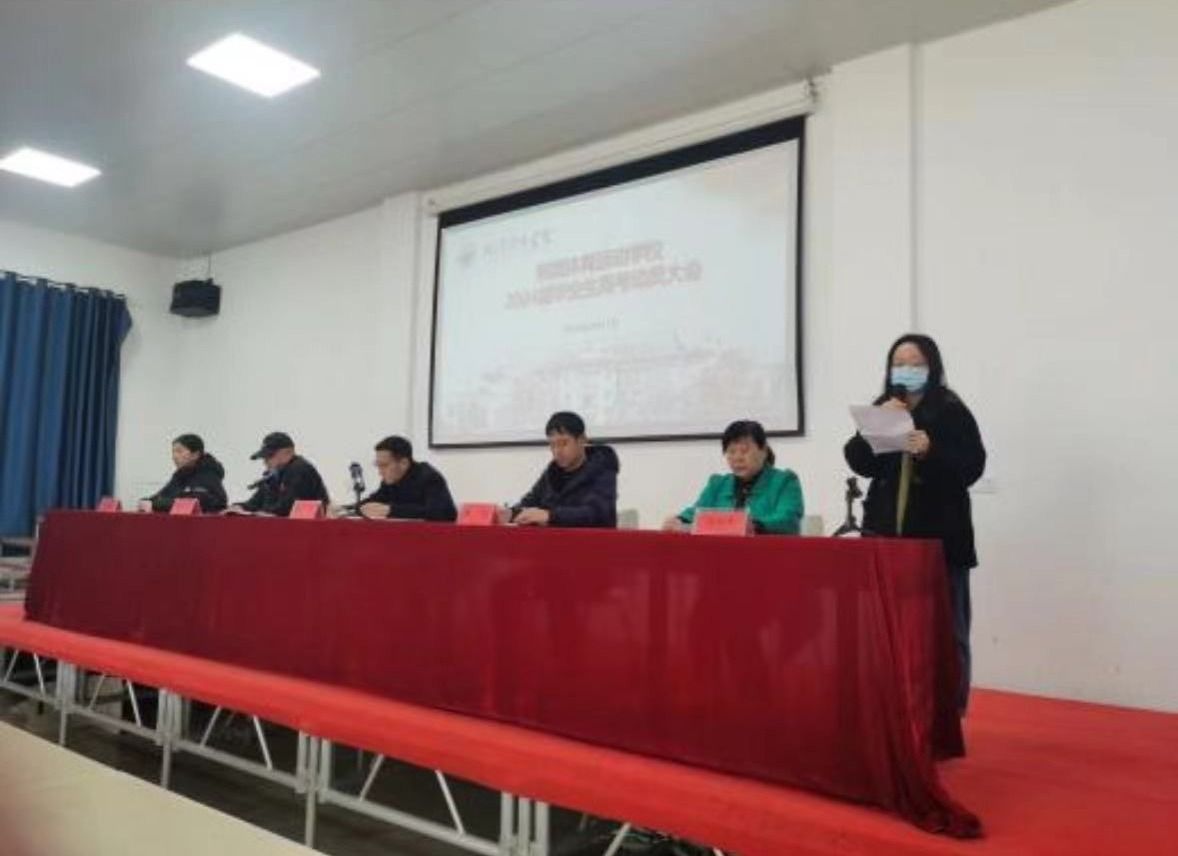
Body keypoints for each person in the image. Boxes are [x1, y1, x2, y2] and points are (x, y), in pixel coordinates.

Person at [843, 333, 985, 712]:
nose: (906, 370)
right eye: (899, 363)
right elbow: (859, 461)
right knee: (888, 628)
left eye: (915, 363)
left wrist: (931, 450)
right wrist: (874, 428)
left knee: (946, 630)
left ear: (932, 367)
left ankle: (949, 714)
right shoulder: (884, 407)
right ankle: (893, 709)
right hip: (886, 535)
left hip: (940, 539)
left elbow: (972, 466)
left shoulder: (951, 410)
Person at [663, 420, 804, 535]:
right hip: (720, 554)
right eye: (731, 452)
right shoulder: (718, 484)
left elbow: (788, 520)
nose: (737, 458)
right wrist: (679, 520)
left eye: (744, 451)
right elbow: (696, 512)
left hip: (766, 555)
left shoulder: (785, 481)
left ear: (764, 451)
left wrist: (754, 525)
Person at [509, 411, 618, 527]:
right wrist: (510, 513)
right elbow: (529, 502)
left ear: (582, 440)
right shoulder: (552, 472)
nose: (557, 451)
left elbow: (596, 513)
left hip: (591, 538)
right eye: (552, 445)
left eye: (564, 443)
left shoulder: (602, 468)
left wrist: (550, 516)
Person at [356, 435, 457, 521]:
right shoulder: (390, 481)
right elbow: (374, 500)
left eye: (384, 465)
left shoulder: (429, 477)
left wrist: (391, 510)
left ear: (404, 463)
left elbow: (440, 513)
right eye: (378, 465)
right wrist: (355, 508)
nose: (380, 472)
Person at [230, 431, 329, 516]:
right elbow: (254, 503)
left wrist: (259, 512)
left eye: (270, 456)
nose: (265, 461)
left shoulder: (300, 470)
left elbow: (287, 508)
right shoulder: (273, 475)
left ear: (288, 452)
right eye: (264, 457)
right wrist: (237, 508)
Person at [138, 433, 227, 513]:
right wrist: (147, 501)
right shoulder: (180, 475)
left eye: (179, 451)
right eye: (173, 452)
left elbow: (192, 503)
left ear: (195, 455)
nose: (174, 456)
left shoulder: (207, 474)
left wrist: (156, 504)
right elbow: (162, 495)